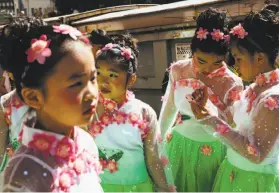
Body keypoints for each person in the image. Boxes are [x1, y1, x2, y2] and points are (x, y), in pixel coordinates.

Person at [0, 18, 103, 192]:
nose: (91, 93)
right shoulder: (23, 177)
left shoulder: (86, 142)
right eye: (76, 84)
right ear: (33, 97)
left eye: (93, 78)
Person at [190, 5, 279, 192]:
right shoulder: (255, 88)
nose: (235, 65)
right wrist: (208, 108)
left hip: (253, 181)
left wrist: (211, 120)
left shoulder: (273, 99)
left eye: (239, 58)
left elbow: (257, 154)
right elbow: (234, 125)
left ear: (260, 58)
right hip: (233, 172)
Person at [158, 8, 243, 192]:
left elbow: (233, 128)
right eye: (201, 61)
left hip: (214, 153)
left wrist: (209, 113)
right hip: (177, 146)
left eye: (217, 62)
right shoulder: (178, 70)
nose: (208, 69)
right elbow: (170, 108)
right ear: (192, 50)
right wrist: (157, 143)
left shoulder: (232, 82)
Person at [89, 34, 172, 192]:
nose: (103, 81)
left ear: (131, 79)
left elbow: (153, 157)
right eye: (98, 73)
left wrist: (164, 188)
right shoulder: (89, 109)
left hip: (138, 188)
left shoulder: (144, 112)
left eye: (113, 75)